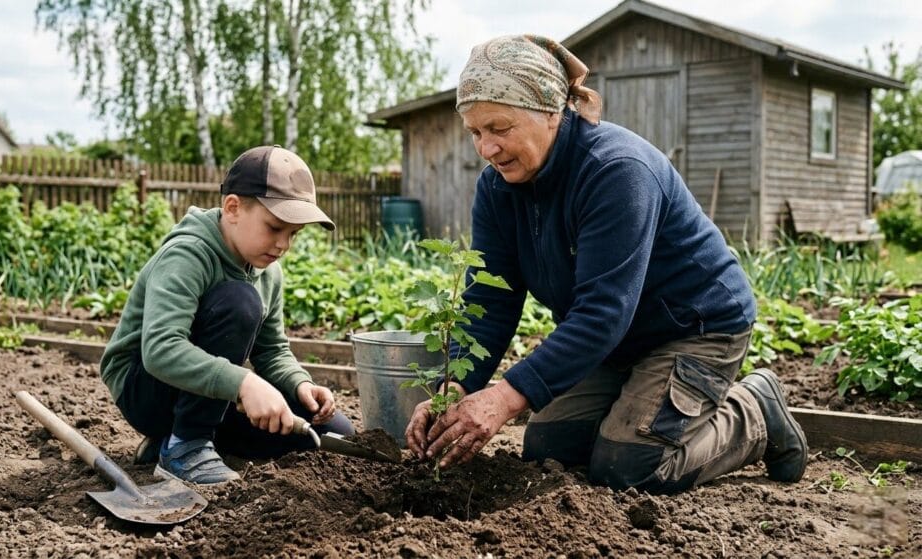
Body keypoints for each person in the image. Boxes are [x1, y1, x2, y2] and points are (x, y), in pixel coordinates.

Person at [405, 35, 807, 494]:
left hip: (693, 327)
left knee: (629, 466)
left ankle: (753, 410)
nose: (486, 149)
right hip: (615, 341)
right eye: (475, 132)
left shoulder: (616, 171)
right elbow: (491, 298)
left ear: (551, 111)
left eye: (499, 127)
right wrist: (453, 387)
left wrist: (502, 398)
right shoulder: (498, 189)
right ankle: (636, 411)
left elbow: (602, 312)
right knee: (549, 450)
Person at [100, 145, 353, 485]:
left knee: (330, 432)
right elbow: (160, 349)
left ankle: (178, 440)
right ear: (233, 208)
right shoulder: (188, 255)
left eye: (293, 234)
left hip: (204, 396)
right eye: (275, 227)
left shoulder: (268, 271)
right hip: (145, 389)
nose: (283, 245)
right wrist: (243, 383)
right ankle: (184, 447)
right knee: (240, 301)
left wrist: (300, 382)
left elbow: (272, 350)